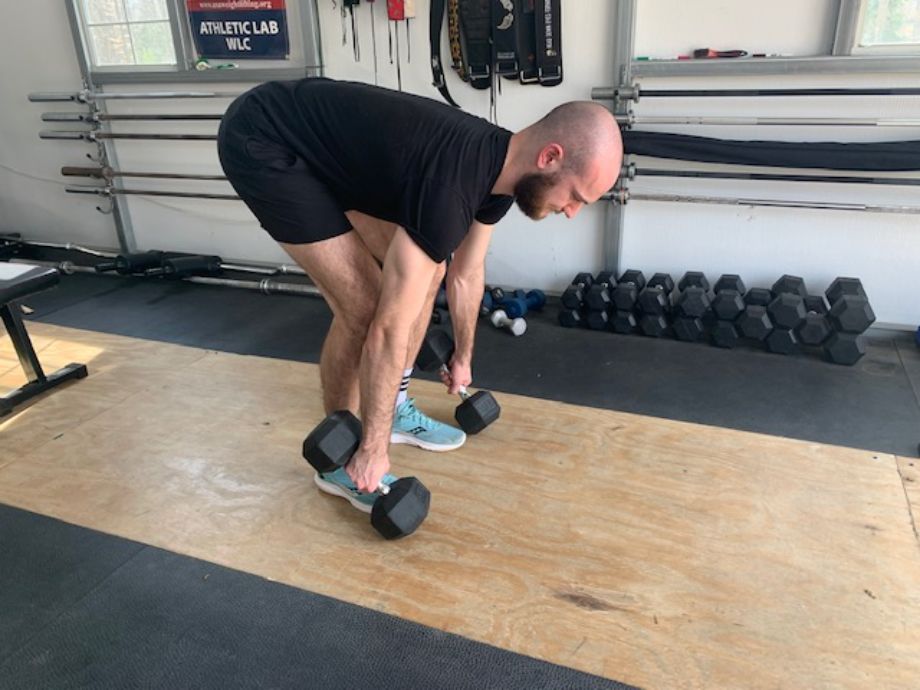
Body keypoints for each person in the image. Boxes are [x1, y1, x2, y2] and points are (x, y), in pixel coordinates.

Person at [217, 77, 622, 507]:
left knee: (431, 271)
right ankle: (341, 456)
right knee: (366, 308)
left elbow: (466, 273)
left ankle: (391, 408)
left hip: (328, 152)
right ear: (550, 157)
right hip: (264, 139)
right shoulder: (451, 190)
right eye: (577, 196)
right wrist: (374, 452)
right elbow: (388, 329)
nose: (572, 212)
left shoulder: (498, 176)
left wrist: (463, 357)